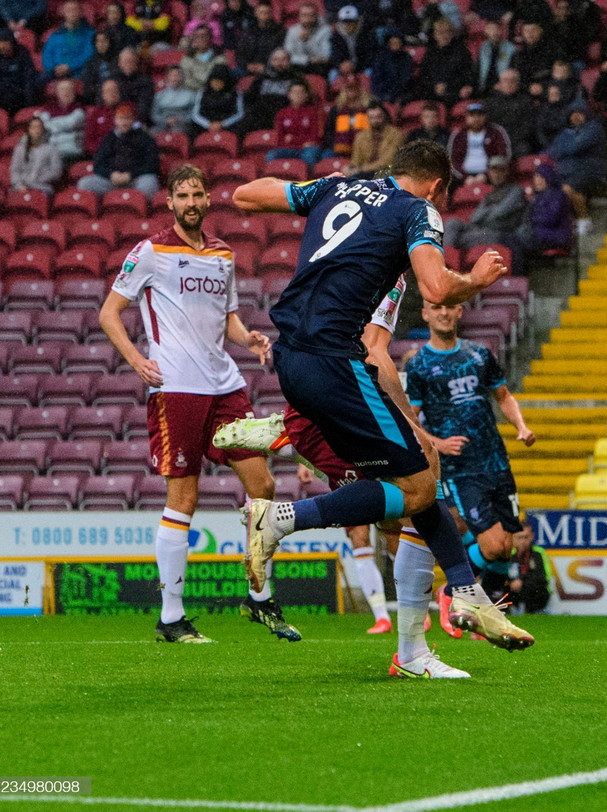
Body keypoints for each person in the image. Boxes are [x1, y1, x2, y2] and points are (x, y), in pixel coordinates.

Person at [230, 140, 533, 652]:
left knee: (414, 481)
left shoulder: (337, 186)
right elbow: (436, 287)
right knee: (417, 485)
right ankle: (281, 517)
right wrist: (478, 279)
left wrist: (308, 193)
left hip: (292, 359)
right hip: (334, 362)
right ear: (437, 187)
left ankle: (467, 593)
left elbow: (245, 196)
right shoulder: (418, 211)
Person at [98, 164, 289, 645]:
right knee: (184, 497)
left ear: (208, 199)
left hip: (225, 384)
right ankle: (171, 617)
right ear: (170, 202)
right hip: (177, 387)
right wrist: (138, 359)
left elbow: (228, 320)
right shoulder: (150, 251)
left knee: (262, 484)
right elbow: (109, 313)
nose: (191, 202)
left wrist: (250, 339)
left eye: (197, 194)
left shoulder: (224, 254)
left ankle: (259, 597)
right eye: (182, 195)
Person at [404, 300, 536, 636]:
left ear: (460, 311)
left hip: (496, 459)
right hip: (460, 469)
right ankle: (451, 591)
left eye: (450, 306)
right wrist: (438, 443)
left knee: (508, 545)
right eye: (436, 307)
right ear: (426, 313)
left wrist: (520, 425)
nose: (444, 312)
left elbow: (503, 395)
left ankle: (482, 612)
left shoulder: (479, 354)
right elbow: (411, 421)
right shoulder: (419, 365)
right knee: (492, 546)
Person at [545, 100, 607, 234]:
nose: (576, 116)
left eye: (580, 113)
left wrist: (565, 148)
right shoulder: (565, 132)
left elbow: (575, 147)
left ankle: (584, 219)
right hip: (568, 171)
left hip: (591, 171)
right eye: (573, 113)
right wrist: (568, 147)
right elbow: (552, 152)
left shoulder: (594, 128)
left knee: (568, 188)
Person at [79, 102, 161, 200]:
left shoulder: (145, 138)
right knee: (84, 184)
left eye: (127, 118)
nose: (124, 122)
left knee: (149, 183)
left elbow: (152, 164)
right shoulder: (108, 139)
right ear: (115, 120)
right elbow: (98, 164)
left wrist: (130, 175)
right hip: (112, 180)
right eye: (121, 118)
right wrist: (111, 174)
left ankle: (138, 210)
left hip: (136, 179)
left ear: (133, 120)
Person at [446, 155, 526, 254]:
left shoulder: (516, 190)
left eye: (500, 170)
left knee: (459, 238)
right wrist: (492, 207)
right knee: (452, 223)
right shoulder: (491, 194)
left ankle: (446, 261)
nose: (496, 174)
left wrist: (488, 209)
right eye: (493, 170)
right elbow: (474, 218)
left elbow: (498, 213)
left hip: (502, 234)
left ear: (506, 172)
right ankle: (447, 259)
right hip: (482, 229)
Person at [448, 102, 511, 186]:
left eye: (479, 115)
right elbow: (452, 160)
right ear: (466, 117)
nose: (476, 118)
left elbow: (504, 156)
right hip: (462, 177)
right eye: (472, 115)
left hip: (491, 175)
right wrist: (465, 177)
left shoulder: (496, 132)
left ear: (485, 116)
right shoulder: (458, 135)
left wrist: (486, 174)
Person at [516, 162, 573, 255]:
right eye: (536, 177)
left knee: (517, 237)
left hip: (556, 236)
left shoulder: (557, 195)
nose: (537, 181)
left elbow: (551, 219)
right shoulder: (537, 196)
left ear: (548, 178)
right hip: (540, 234)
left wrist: (531, 220)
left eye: (541, 177)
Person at [417, 17, 474, 107]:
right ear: (435, 35)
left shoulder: (462, 51)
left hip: (454, 91)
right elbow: (423, 75)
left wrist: (448, 86)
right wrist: (434, 86)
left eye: (447, 32)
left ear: (452, 34)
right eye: (440, 33)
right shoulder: (430, 53)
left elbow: (467, 74)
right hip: (432, 91)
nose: (444, 36)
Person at [0, 29, 36, 114]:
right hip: (0, 95)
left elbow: (29, 77)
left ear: (11, 42)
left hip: (19, 95)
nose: (2, 46)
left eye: (5, 42)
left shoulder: (22, 54)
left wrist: (29, 101)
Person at [241, 48, 299, 134]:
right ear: (270, 62)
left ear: (289, 62)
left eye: (283, 59)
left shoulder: (295, 79)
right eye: (276, 60)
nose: (279, 63)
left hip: (284, 115)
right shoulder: (261, 78)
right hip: (261, 116)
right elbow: (250, 99)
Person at [267, 81, 323, 167]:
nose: (298, 95)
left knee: (309, 155)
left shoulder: (313, 112)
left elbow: (314, 138)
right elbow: (280, 138)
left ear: (306, 95)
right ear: (289, 95)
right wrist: (301, 141)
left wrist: (292, 139)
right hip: (288, 148)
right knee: (271, 155)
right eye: (295, 92)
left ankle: (309, 180)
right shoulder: (282, 113)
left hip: (306, 149)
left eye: (301, 92)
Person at [485, 69, 537, 158]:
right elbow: (487, 124)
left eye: (512, 81)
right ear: (499, 83)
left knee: (524, 149)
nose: (509, 84)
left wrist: (509, 140)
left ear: (518, 83)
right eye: (505, 81)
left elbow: (529, 126)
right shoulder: (489, 103)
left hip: (518, 141)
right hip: (496, 140)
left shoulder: (526, 102)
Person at [40, 0, 94, 85]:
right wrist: (54, 68)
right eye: (68, 10)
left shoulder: (90, 34)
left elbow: (88, 55)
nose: (72, 13)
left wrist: (69, 66)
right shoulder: (55, 35)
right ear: (64, 13)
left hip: (78, 72)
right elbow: (47, 54)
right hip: (55, 72)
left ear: (80, 13)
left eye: (74, 10)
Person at [321, 76, 373, 160]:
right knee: (326, 156)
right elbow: (328, 132)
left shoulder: (369, 108)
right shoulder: (336, 110)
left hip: (366, 147)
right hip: (338, 147)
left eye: (354, 87)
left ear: (360, 89)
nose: (351, 90)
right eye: (349, 88)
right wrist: (337, 145)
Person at [188, 64, 244, 141]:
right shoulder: (202, 93)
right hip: (206, 124)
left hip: (228, 125)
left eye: (219, 81)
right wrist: (208, 124)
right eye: (214, 81)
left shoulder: (236, 93)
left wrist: (222, 124)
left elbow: (239, 114)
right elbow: (195, 114)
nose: (216, 84)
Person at [347, 101, 403, 177]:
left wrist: (361, 169)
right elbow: (356, 161)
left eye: (378, 117)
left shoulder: (396, 135)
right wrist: (349, 168)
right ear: (367, 119)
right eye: (371, 118)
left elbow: (387, 162)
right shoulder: (360, 136)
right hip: (364, 174)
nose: (375, 121)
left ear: (385, 116)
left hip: (386, 174)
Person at [9, 115, 63, 194]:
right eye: (33, 127)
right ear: (28, 130)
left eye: (39, 127)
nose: (36, 130)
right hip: (21, 187)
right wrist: (19, 185)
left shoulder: (52, 149)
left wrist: (36, 179)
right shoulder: (19, 149)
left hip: (42, 188)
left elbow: (56, 171)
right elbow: (15, 170)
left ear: (43, 130)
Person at [237, 1, 287, 77]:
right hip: (248, 69)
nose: (264, 16)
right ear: (256, 13)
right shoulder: (248, 31)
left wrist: (266, 66)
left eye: (266, 13)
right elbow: (239, 53)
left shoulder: (279, 31)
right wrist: (247, 65)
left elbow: (282, 54)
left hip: (271, 69)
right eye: (261, 12)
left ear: (271, 14)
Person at [512, 21, 560, 98]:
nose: (530, 33)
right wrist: (528, 87)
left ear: (540, 31)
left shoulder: (552, 50)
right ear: (522, 33)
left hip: (550, 91)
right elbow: (516, 78)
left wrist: (543, 86)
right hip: (525, 93)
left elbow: (559, 74)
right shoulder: (518, 55)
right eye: (527, 31)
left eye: (533, 30)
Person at [42, 78, 87, 159]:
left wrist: (52, 124)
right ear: (57, 93)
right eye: (62, 89)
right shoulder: (49, 108)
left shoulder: (79, 109)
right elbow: (42, 125)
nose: (66, 92)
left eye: (69, 89)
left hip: (71, 151)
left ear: (74, 93)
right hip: (51, 152)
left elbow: (71, 124)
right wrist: (62, 124)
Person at [285, 2, 333, 75]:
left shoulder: (326, 30)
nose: (307, 19)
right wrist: (308, 59)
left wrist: (308, 41)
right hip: (298, 67)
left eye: (311, 16)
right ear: (299, 16)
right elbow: (288, 56)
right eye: (304, 15)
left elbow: (325, 57)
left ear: (316, 16)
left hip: (318, 69)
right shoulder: (292, 30)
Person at [371, 30, 415, 105]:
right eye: (393, 42)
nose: (395, 44)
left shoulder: (407, 58)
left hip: (401, 96)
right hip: (383, 95)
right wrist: (384, 95)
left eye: (397, 42)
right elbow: (377, 79)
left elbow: (407, 80)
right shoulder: (381, 58)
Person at [179, 25, 227, 93]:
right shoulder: (186, 60)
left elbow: (219, 80)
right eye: (198, 36)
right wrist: (204, 86)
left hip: (213, 94)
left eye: (205, 35)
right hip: (192, 95)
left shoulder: (220, 59)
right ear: (194, 39)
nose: (202, 38)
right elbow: (187, 81)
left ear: (211, 38)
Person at [114, 47, 156, 124]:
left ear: (136, 63)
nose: (128, 64)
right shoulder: (113, 82)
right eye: (125, 61)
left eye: (131, 61)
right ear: (119, 64)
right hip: (116, 122)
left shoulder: (146, 82)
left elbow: (144, 108)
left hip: (137, 123)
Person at [476, 19, 516, 97]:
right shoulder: (483, 47)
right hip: (483, 87)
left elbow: (512, 71)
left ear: (501, 30)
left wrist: (501, 84)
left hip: (503, 87)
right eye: (490, 29)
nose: (494, 32)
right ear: (486, 31)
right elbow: (478, 70)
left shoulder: (511, 48)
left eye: (496, 29)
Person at [84, 78, 122, 155]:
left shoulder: (129, 110)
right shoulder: (95, 114)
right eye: (108, 91)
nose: (112, 93)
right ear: (103, 95)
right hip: (102, 154)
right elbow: (88, 142)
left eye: (114, 90)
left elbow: (136, 132)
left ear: (119, 93)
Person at [80, 29, 117, 102]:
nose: (101, 44)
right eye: (98, 41)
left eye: (104, 41)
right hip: (97, 97)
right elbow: (88, 85)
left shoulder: (117, 61)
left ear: (110, 43)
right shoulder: (90, 63)